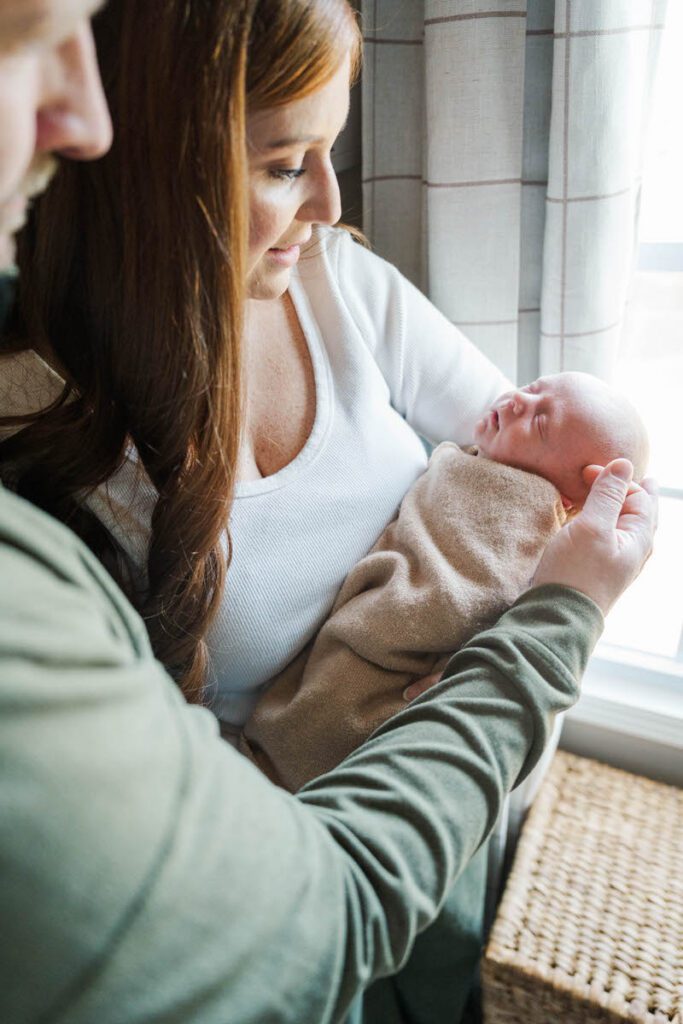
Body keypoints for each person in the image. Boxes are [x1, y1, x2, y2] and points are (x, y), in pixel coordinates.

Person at [0, 1, 657, 1022]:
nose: (327, 203)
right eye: (280, 164)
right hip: (303, 876)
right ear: (134, 165)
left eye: (330, 148)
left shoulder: (341, 286)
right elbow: (293, 907)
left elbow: (546, 470)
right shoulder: (40, 433)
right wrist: (549, 624)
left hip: (440, 824)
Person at [242, 371, 650, 791]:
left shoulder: (523, 518)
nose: (516, 403)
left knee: (325, 724)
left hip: (397, 647)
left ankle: (285, 769)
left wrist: (460, 664)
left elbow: (493, 595)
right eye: (532, 389)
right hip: (355, 624)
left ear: (568, 499)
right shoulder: (474, 459)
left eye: (541, 423)